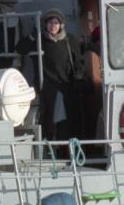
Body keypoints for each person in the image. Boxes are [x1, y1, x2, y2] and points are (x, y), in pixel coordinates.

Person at [16, 9, 87, 142]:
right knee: (50, 120)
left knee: (66, 121)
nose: (53, 26)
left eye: (56, 23)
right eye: (50, 23)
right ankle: (52, 145)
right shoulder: (40, 40)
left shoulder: (69, 40)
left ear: (61, 25)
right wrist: (32, 36)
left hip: (66, 86)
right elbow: (20, 49)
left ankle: (65, 146)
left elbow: (79, 61)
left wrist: (78, 77)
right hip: (47, 86)